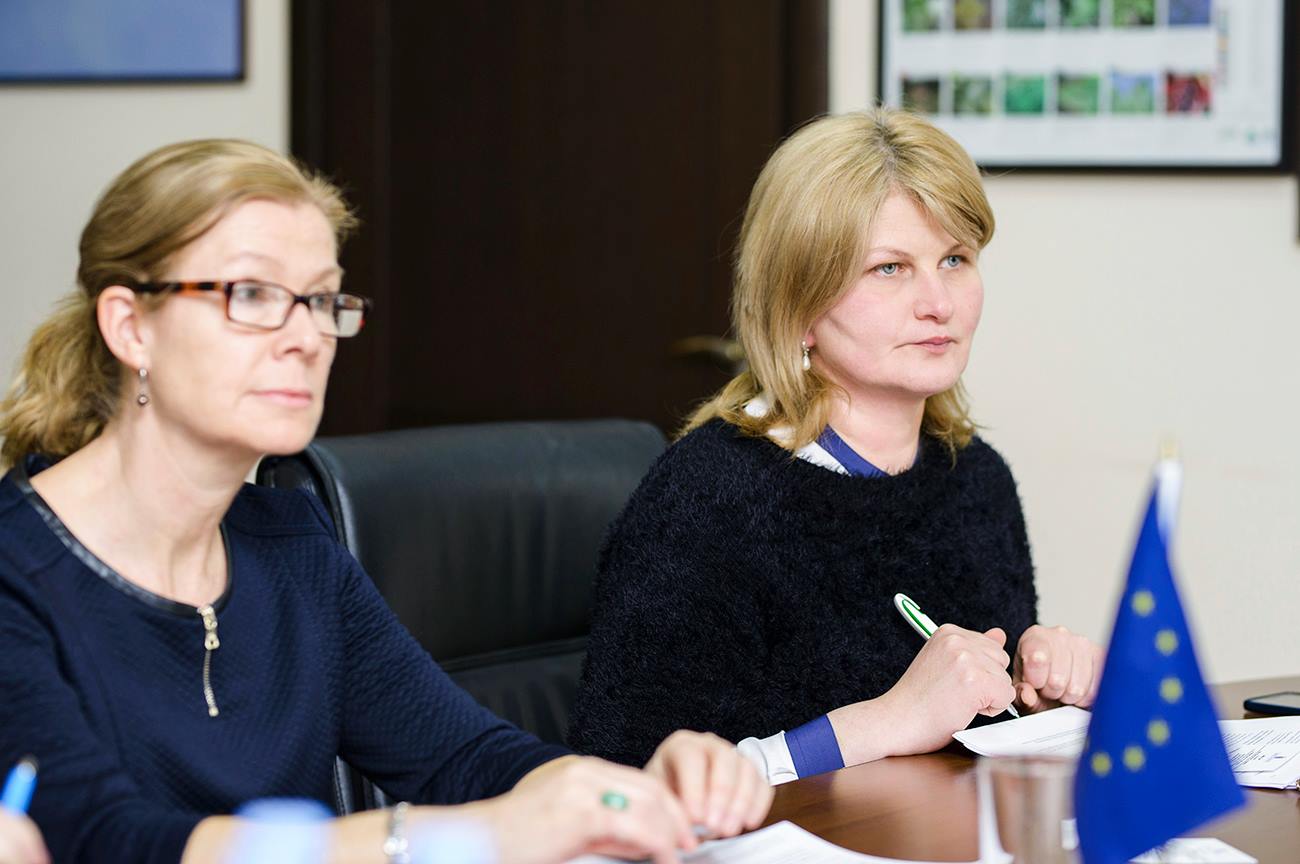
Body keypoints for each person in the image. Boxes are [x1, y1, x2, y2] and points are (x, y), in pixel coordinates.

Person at [0, 139, 771, 864]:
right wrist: (444, 839)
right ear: (130, 326)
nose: (307, 337)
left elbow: (466, 758)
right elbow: (110, 839)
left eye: (321, 300)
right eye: (253, 294)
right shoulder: (14, 572)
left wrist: (626, 792)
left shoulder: (290, 542)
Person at [567, 108, 1104, 783]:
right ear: (798, 306)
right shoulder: (706, 498)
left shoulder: (975, 477)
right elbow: (624, 787)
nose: (938, 302)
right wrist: (885, 722)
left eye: (955, 259)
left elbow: (965, 743)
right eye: (889, 268)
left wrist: (1031, 699)